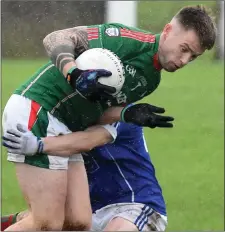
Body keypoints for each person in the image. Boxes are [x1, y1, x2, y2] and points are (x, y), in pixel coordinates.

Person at [2, 4, 216, 231]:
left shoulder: (151, 80)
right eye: (184, 49)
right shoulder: (127, 40)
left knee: (78, 222)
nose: (184, 60)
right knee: (47, 224)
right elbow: (56, 38)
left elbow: (99, 113)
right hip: (40, 108)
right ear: (167, 30)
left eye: (193, 57)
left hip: (64, 124)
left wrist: (127, 114)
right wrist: (74, 74)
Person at [2, 122, 167, 231]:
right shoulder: (71, 112)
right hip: (88, 212)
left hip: (134, 203)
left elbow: (88, 140)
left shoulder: (120, 112)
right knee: (46, 222)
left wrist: (39, 144)